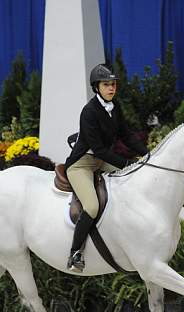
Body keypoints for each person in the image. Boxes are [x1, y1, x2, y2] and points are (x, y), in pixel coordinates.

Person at [64, 64, 148, 273]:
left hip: (101, 162)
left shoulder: (114, 106)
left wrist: (147, 155)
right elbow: (99, 150)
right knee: (92, 206)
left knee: (134, 179)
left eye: (113, 84)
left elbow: (126, 135)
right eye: (106, 85)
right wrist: (127, 163)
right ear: (96, 87)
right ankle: (75, 253)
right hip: (81, 164)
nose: (111, 88)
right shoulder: (89, 112)